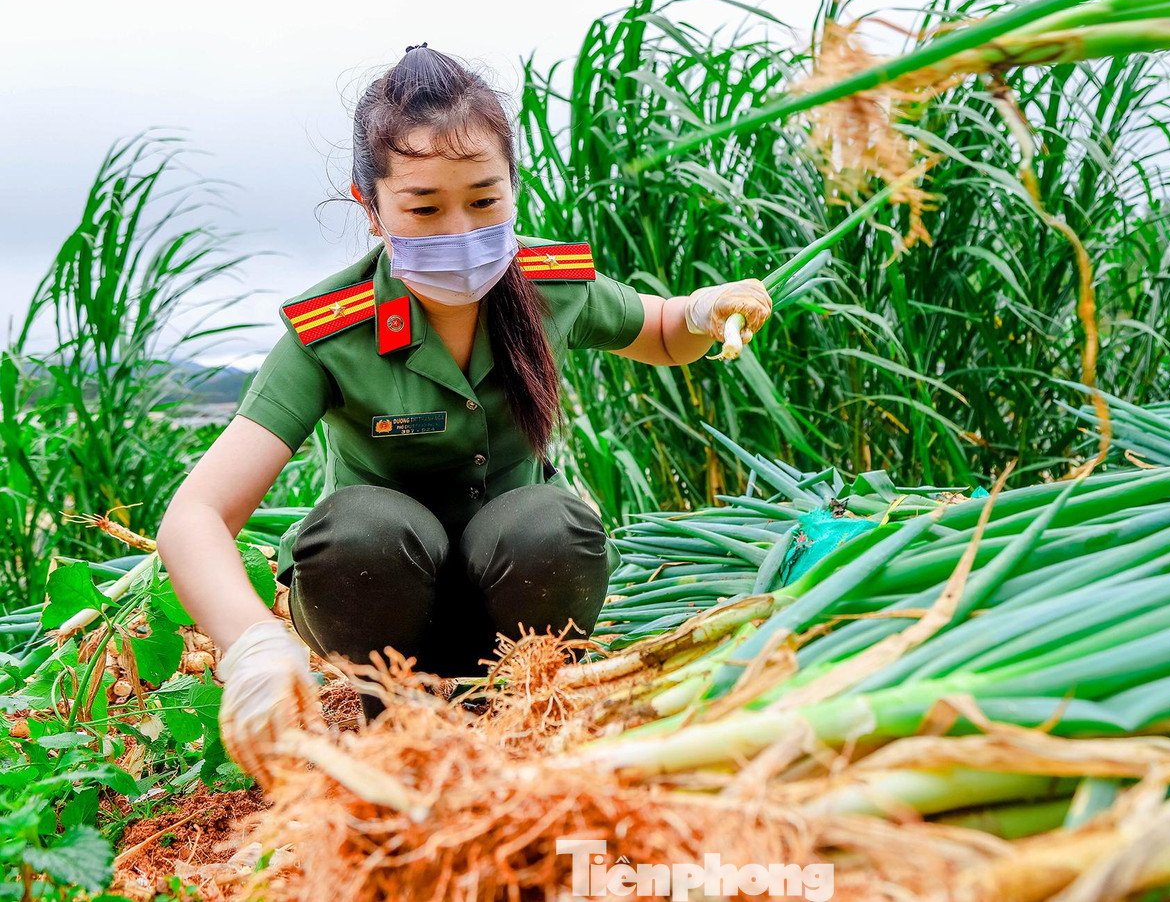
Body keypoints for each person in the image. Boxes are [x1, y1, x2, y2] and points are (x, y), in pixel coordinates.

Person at [155, 43, 772, 785]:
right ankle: (396, 726)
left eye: (484, 201)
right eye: (424, 208)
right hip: (380, 613)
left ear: (513, 185)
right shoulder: (332, 331)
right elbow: (194, 516)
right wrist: (252, 641)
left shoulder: (550, 284)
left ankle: (520, 713)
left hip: (522, 598)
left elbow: (663, 331)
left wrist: (706, 310)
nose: (459, 231)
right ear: (370, 208)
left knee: (552, 523)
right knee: (359, 530)